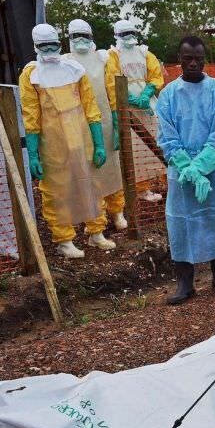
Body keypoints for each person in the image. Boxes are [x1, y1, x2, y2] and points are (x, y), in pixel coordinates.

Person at [156, 36, 215, 303]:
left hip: (214, 168)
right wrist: (188, 168)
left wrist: (202, 164)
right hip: (181, 172)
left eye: (198, 59)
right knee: (182, 223)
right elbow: (167, 135)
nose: (193, 63)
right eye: (188, 59)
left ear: (205, 60)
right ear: (179, 60)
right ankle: (185, 284)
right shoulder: (168, 95)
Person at [19, 24, 113, 259]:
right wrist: (33, 155)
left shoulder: (75, 69)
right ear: (36, 46)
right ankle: (64, 240)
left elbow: (91, 108)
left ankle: (96, 232)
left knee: (91, 183)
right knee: (57, 191)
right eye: (44, 46)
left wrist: (99, 143)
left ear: (60, 44)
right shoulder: (31, 75)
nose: (50, 50)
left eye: (53, 45)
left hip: (82, 139)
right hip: (52, 145)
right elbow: (31, 116)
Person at [65, 19, 128, 233]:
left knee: (113, 169)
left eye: (85, 35)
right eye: (76, 36)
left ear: (91, 37)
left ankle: (117, 211)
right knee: (88, 173)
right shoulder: (65, 62)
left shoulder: (103, 60)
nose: (81, 40)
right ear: (69, 38)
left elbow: (113, 91)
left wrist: (117, 125)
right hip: (78, 124)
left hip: (106, 123)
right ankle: (94, 220)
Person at [108, 19, 165, 202]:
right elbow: (112, 80)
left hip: (147, 104)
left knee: (156, 140)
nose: (129, 37)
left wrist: (147, 94)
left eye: (132, 33)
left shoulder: (145, 53)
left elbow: (156, 76)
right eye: (125, 34)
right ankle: (138, 189)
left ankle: (164, 181)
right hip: (125, 106)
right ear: (117, 35)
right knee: (133, 147)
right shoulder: (113, 55)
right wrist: (129, 97)